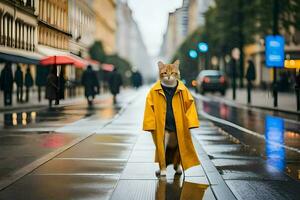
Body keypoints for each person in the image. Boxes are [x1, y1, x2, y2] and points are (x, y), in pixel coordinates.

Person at [143, 60, 200, 177]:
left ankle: (176, 165)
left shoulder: (183, 89)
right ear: (160, 73)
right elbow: (149, 108)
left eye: (172, 73)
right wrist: (149, 124)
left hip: (178, 123)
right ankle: (162, 167)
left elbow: (190, 105)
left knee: (179, 145)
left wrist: (191, 122)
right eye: (165, 73)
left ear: (177, 73)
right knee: (161, 146)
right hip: (161, 124)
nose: (169, 76)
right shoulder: (154, 90)